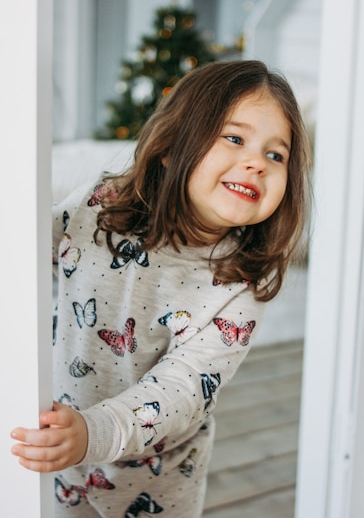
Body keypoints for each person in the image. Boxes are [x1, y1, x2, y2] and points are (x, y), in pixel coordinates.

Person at [10, 60, 311, 517]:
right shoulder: (105, 206)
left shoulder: (240, 284)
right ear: (171, 147)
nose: (256, 162)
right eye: (235, 138)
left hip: (153, 483)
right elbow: (34, 249)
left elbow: (182, 388)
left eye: (277, 154)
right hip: (62, 446)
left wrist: (93, 433)